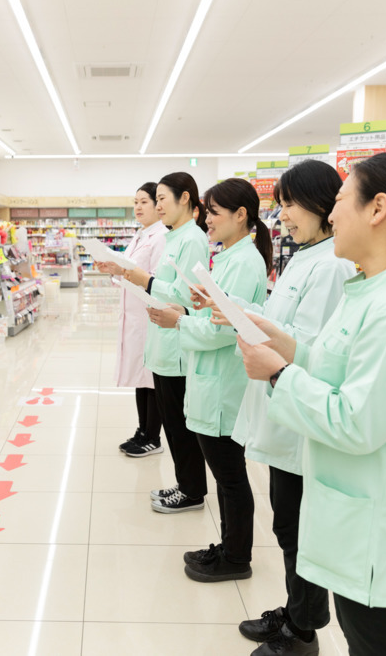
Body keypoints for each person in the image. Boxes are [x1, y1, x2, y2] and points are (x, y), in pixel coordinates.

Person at [236, 152, 386, 656]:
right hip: (356, 505)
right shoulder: (371, 287)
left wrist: (278, 375)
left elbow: (357, 421)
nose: (333, 214)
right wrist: (288, 347)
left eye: (340, 201)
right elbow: (338, 364)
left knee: (376, 642)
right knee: (361, 631)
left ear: (377, 208)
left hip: (379, 515)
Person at [206, 161, 355, 654]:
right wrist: (235, 311)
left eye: (289, 204)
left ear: (321, 204)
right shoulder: (308, 255)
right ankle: (296, 612)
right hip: (285, 404)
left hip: (301, 411)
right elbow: (282, 322)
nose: (283, 215)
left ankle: (302, 629)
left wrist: (252, 327)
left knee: (297, 527)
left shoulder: (332, 263)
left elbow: (310, 345)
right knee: (288, 523)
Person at [149, 178, 273, 581]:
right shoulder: (232, 256)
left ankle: (237, 558)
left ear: (241, 215)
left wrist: (180, 319)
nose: (208, 222)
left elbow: (222, 331)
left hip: (223, 384)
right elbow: (220, 315)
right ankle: (229, 544)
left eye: (214, 213)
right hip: (213, 380)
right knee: (224, 475)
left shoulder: (244, 261)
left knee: (231, 476)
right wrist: (198, 308)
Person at [123, 172, 210, 513]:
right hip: (162, 343)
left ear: (185, 198)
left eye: (161, 198)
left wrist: (147, 281)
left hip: (176, 348)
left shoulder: (192, 240)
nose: (157, 205)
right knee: (173, 426)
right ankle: (185, 484)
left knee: (181, 426)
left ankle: (192, 491)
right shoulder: (175, 237)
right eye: (153, 199)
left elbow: (183, 296)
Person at [96, 183, 167, 457]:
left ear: (158, 206)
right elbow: (127, 271)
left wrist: (123, 271)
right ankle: (142, 431)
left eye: (144, 202)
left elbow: (157, 280)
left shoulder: (161, 237)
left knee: (151, 379)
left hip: (150, 317)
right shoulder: (140, 236)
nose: (138, 207)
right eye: (135, 202)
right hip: (135, 318)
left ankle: (153, 437)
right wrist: (112, 268)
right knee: (140, 377)